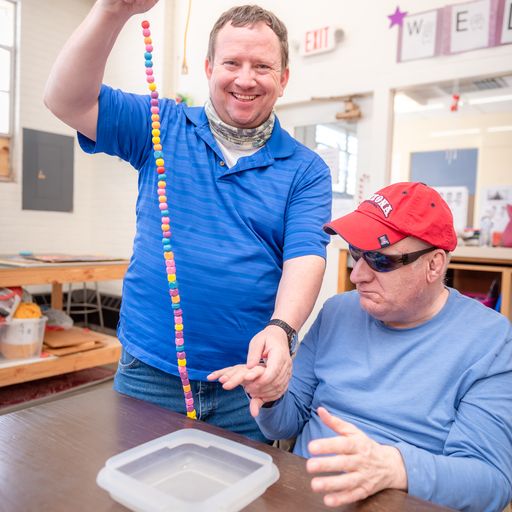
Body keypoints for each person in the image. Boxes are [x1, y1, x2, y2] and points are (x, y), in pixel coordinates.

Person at [43, 1, 331, 441]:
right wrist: (111, 11)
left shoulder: (306, 169)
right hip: (150, 374)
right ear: (208, 67)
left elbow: (305, 256)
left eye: (263, 66)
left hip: (243, 384)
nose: (245, 78)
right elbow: (64, 99)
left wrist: (283, 327)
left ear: (284, 78)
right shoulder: (161, 125)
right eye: (232, 62)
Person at [209, 182, 512, 511]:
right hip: (301, 493)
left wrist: (393, 467)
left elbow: (490, 483)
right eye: (356, 254)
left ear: (435, 265)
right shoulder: (339, 311)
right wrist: (270, 395)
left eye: (380, 260)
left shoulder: (489, 341)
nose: (358, 276)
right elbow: (287, 423)